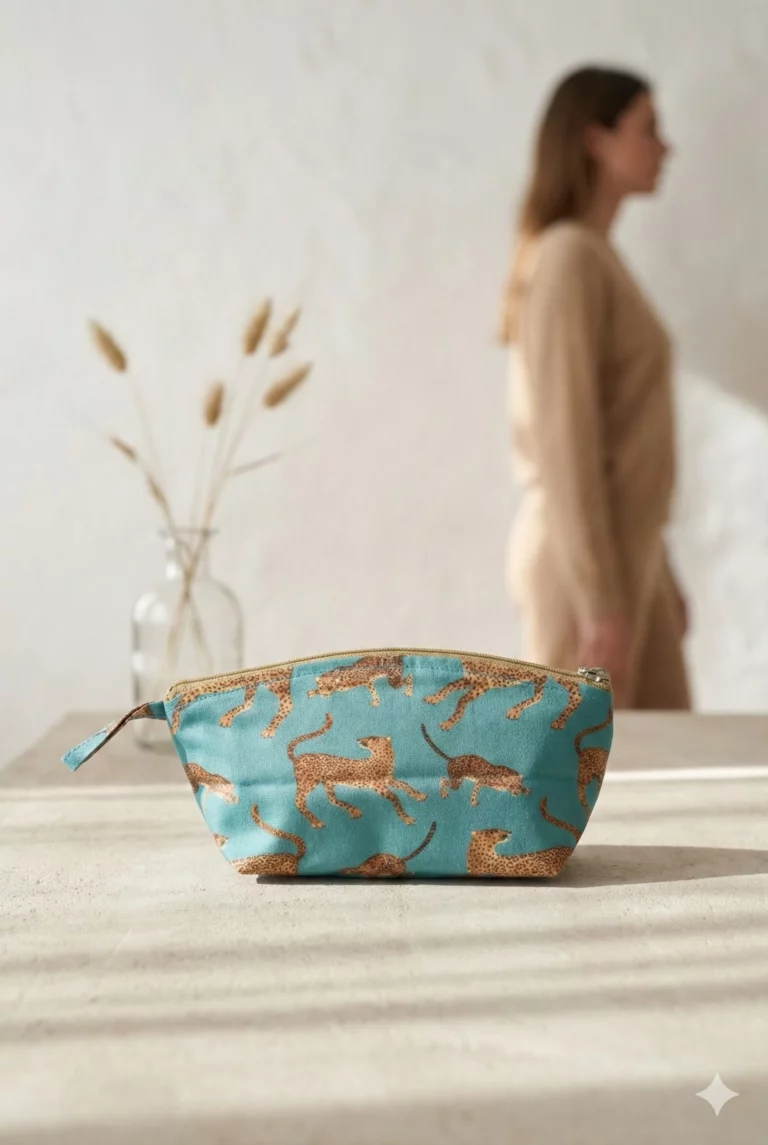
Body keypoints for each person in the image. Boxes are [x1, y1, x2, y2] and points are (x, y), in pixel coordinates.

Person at [500, 65, 691, 709]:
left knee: (665, 756)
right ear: (595, 140)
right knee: (594, 766)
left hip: (625, 559)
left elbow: (624, 443)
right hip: (584, 572)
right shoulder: (569, 257)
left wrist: (659, 570)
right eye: (648, 129)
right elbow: (566, 444)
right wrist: (599, 601)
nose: (665, 147)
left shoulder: (595, 256)